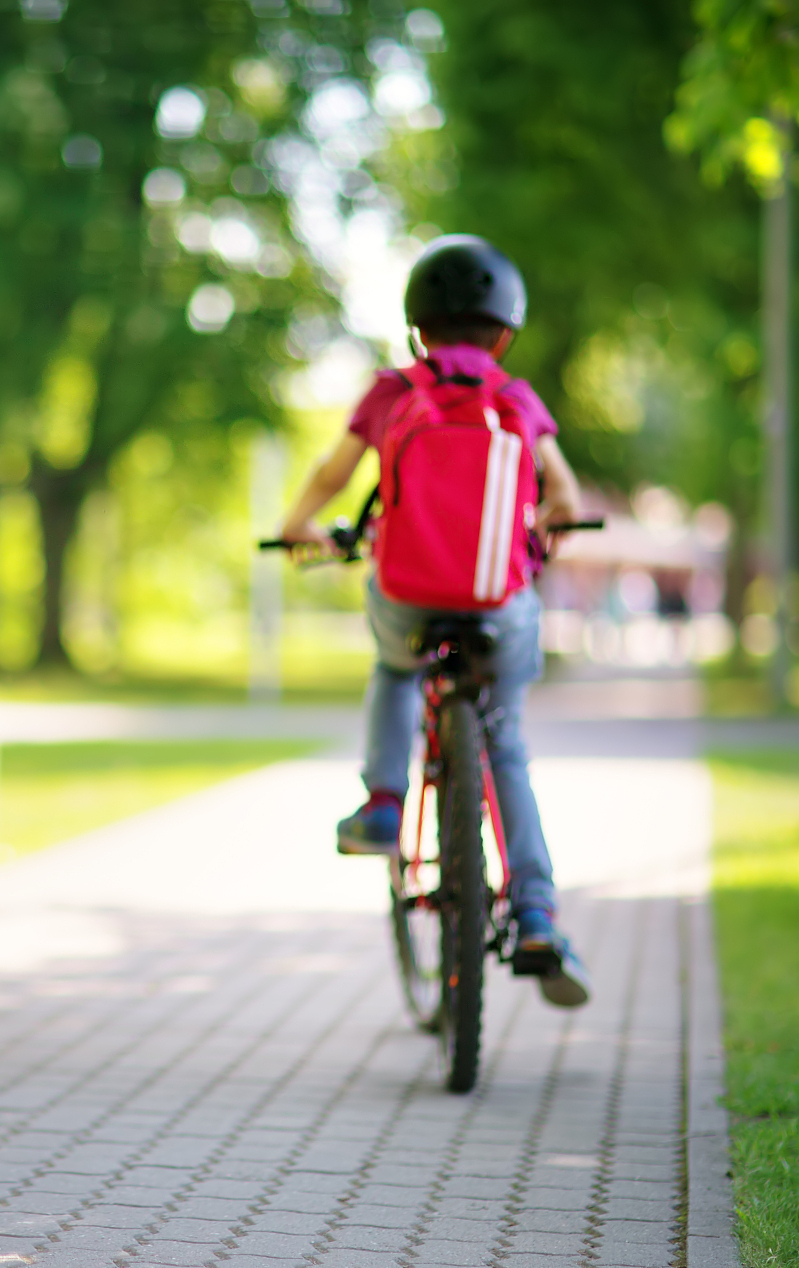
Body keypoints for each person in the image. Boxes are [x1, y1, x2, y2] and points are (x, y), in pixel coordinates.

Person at [276, 234, 592, 1008]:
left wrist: (298, 526)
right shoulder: (515, 401)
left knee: (394, 666)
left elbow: (333, 472)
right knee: (506, 743)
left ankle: (385, 803)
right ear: (504, 333)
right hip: (499, 600)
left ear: (418, 329)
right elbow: (568, 499)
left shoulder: (392, 393)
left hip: (409, 592)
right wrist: (548, 518)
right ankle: (539, 911)